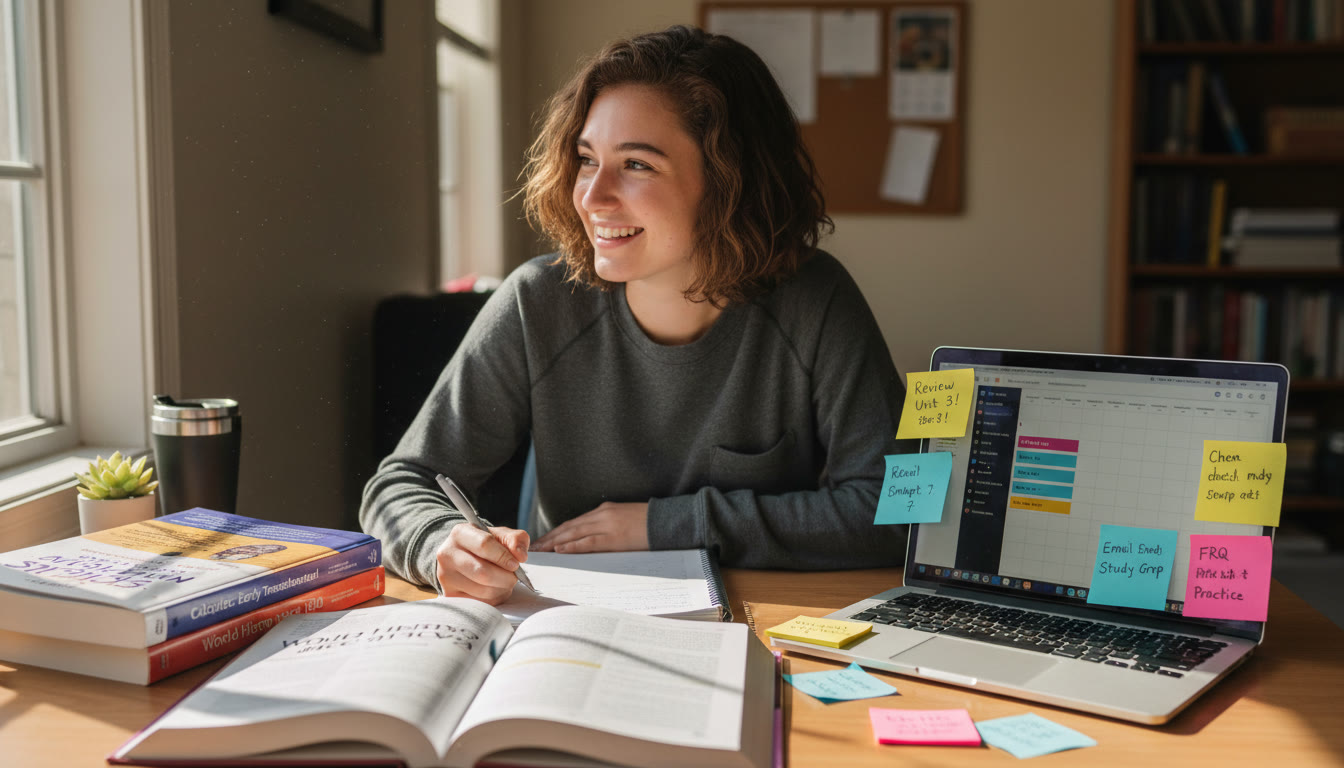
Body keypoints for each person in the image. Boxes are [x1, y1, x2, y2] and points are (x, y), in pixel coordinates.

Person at [360, 24, 911, 605]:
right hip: (568, 626)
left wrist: (660, 526)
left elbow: (901, 513)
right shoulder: (537, 303)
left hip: (768, 624)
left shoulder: (816, 301)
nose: (592, 197)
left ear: (730, 183)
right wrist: (439, 540)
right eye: (586, 159)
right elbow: (399, 485)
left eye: (638, 165)